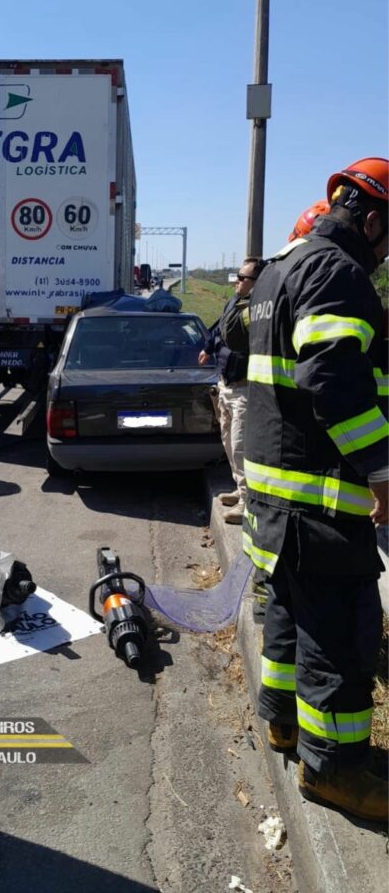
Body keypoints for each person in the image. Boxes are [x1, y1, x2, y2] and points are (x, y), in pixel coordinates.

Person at [242, 157, 389, 822]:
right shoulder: (339, 273)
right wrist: (384, 471)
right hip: (320, 504)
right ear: (376, 220)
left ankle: (280, 724)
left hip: (276, 500)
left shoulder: (279, 270)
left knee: (285, 621)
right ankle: (333, 772)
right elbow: (333, 381)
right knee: (337, 640)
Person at [198, 258, 265, 523]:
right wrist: (207, 347)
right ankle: (240, 490)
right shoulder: (234, 302)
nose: (236, 280)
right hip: (226, 384)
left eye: (242, 277)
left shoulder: (258, 309)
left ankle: (249, 503)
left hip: (245, 387)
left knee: (240, 445)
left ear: (256, 283)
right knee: (228, 440)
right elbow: (218, 328)